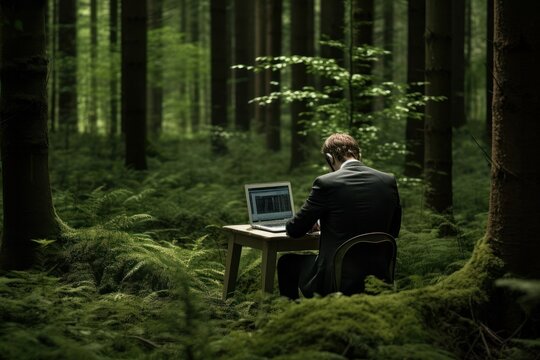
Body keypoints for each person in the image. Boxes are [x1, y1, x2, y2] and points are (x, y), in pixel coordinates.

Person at [277, 133, 401, 299]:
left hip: (336, 279)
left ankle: (298, 320)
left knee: (286, 263)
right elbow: (393, 230)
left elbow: (294, 230)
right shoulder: (388, 181)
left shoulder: (326, 183)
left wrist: (314, 223)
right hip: (379, 276)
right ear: (359, 154)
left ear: (330, 158)